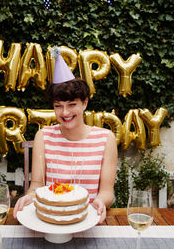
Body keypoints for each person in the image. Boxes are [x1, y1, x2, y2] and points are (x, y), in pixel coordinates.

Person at [13, 48, 118, 224]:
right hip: (50, 221)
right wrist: (29, 197)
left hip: (88, 219)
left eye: (72, 104)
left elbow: (107, 191)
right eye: (58, 105)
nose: (65, 112)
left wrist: (101, 201)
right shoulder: (43, 136)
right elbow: (37, 185)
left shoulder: (106, 139)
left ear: (84, 103)